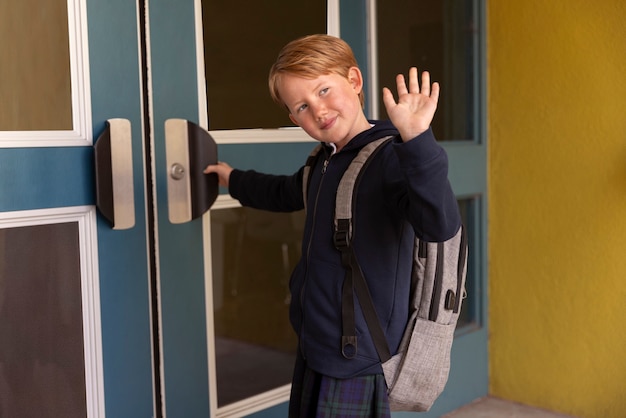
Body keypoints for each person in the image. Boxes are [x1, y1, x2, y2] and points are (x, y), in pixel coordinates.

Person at [204, 34, 461, 417]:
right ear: (293, 119)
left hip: (356, 356)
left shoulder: (392, 156)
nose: (318, 110)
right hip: (317, 343)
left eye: (324, 90)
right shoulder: (323, 162)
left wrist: (417, 140)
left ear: (354, 81)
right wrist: (232, 178)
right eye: (302, 106)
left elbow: (438, 223)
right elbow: (283, 192)